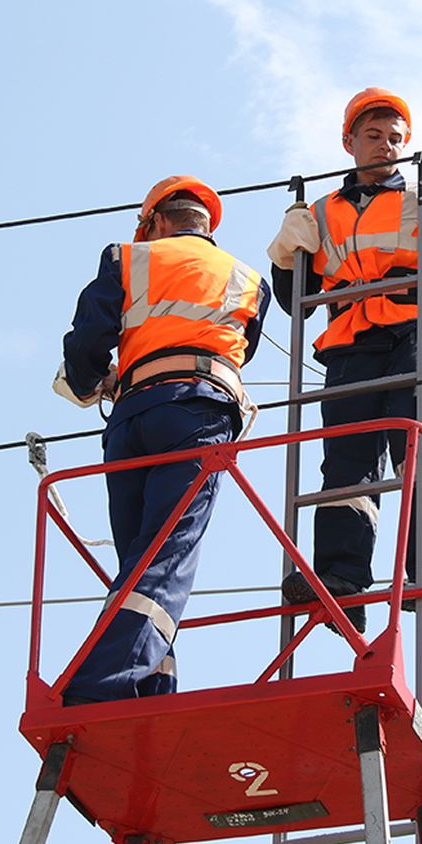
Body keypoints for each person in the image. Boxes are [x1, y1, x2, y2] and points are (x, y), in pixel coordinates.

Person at [266, 87, 422, 633]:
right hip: (350, 341)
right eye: (375, 137)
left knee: (417, 444)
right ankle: (341, 580)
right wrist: (286, 256)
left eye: (396, 139)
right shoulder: (318, 212)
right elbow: (295, 301)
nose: (386, 147)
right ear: (349, 142)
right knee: (345, 464)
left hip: (413, 328)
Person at [54, 175, 270, 703]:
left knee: (140, 561)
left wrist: (89, 382)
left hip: (131, 419)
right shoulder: (247, 279)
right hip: (199, 411)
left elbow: (87, 344)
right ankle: (103, 685)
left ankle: (149, 687)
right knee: (163, 556)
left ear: (154, 222)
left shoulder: (126, 257)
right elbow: (238, 350)